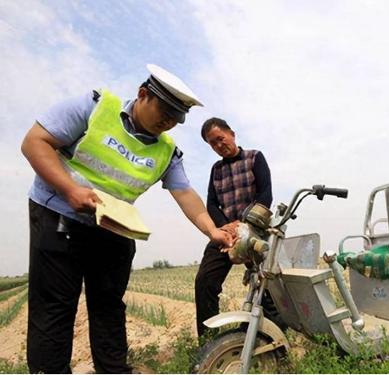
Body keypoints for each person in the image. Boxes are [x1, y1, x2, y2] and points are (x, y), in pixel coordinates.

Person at [21, 64, 233, 374]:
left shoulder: (167, 151)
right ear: (142, 94)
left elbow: (185, 194)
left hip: (113, 226)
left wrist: (212, 230)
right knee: (55, 305)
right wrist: (70, 190)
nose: (168, 122)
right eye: (164, 113)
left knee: (108, 305)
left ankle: (113, 369)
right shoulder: (94, 107)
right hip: (59, 216)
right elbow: (35, 142)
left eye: (176, 119)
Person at [195, 117, 284, 338]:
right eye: (212, 144)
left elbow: (265, 196)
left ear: (232, 134)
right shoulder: (216, 170)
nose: (218, 146)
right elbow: (211, 204)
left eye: (220, 139)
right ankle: (207, 342)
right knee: (205, 281)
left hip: (255, 231)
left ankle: (272, 340)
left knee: (266, 287)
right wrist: (227, 228)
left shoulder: (255, 157)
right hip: (226, 233)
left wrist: (244, 224)